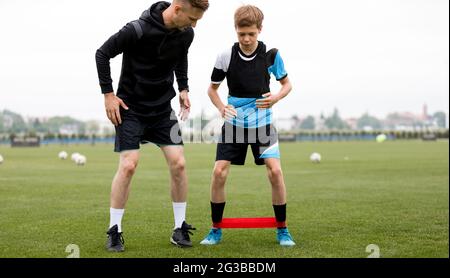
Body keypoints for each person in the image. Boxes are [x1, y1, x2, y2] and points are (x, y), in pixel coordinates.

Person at [95, 0, 209, 251]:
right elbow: (102, 54)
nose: (194, 25)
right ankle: (115, 230)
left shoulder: (185, 33)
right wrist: (108, 95)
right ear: (177, 9)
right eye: (192, 18)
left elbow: (181, 57)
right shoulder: (136, 30)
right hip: (130, 109)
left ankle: (179, 228)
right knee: (128, 165)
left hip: (161, 110)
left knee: (179, 163)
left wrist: (184, 87)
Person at [200, 5, 296, 247]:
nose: (246, 39)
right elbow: (212, 89)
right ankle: (215, 229)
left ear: (259, 30)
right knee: (219, 172)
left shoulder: (271, 56)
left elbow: (287, 85)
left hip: (263, 124)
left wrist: (275, 98)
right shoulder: (226, 56)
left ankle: (282, 229)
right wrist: (222, 107)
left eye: (251, 34)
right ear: (235, 30)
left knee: (275, 172)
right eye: (241, 33)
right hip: (234, 125)